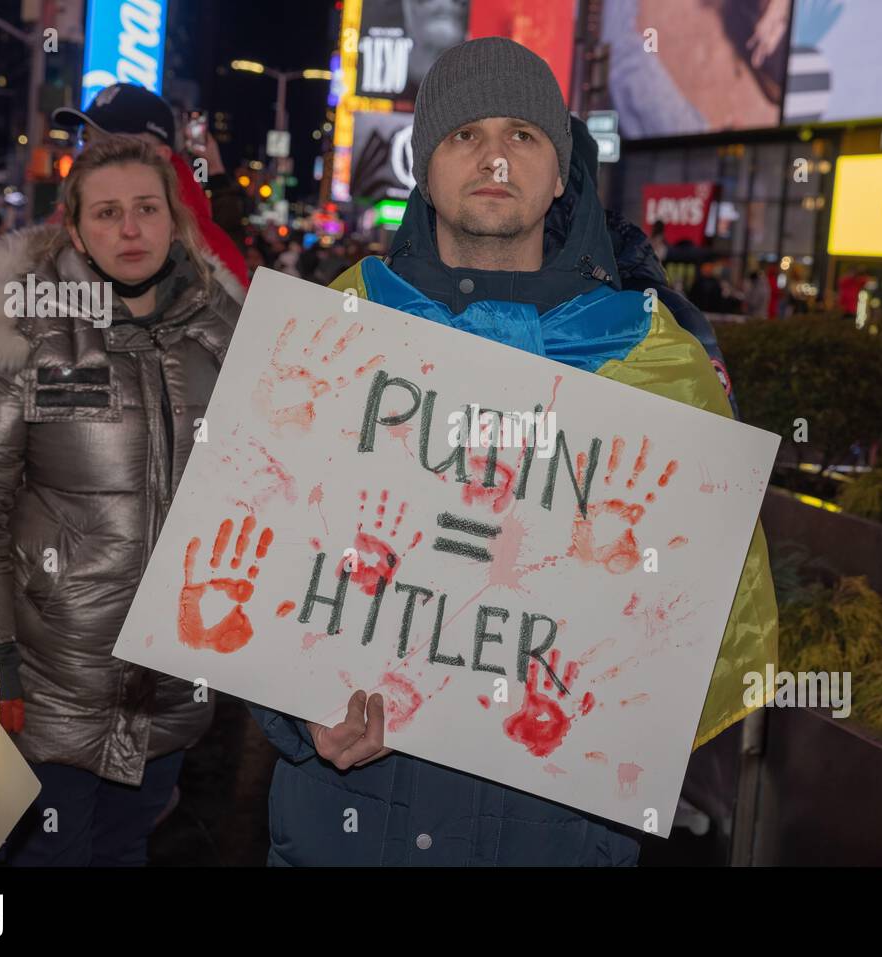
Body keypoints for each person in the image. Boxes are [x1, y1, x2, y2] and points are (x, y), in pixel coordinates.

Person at [249, 37, 777, 867]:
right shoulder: (338, 330)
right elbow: (259, 565)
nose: (495, 156)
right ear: (424, 168)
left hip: (555, 825)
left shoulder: (651, 355)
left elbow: (702, 610)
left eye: (523, 136)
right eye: (465, 135)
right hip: (350, 816)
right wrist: (296, 718)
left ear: (562, 172)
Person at [0, 136, 242, 866]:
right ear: (74, 230)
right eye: (107, 213)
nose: (130, 229)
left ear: (175, 219)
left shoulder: (224, 335)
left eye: (146, 208)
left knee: (124, 847)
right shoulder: (26, 332)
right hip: (48, 681)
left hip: (170, 681)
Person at [53, 84, 249, 293]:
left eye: (112, 145)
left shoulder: (205, 248)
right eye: (86, 139)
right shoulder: (49, 239)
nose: (91, 153)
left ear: (161, 155)